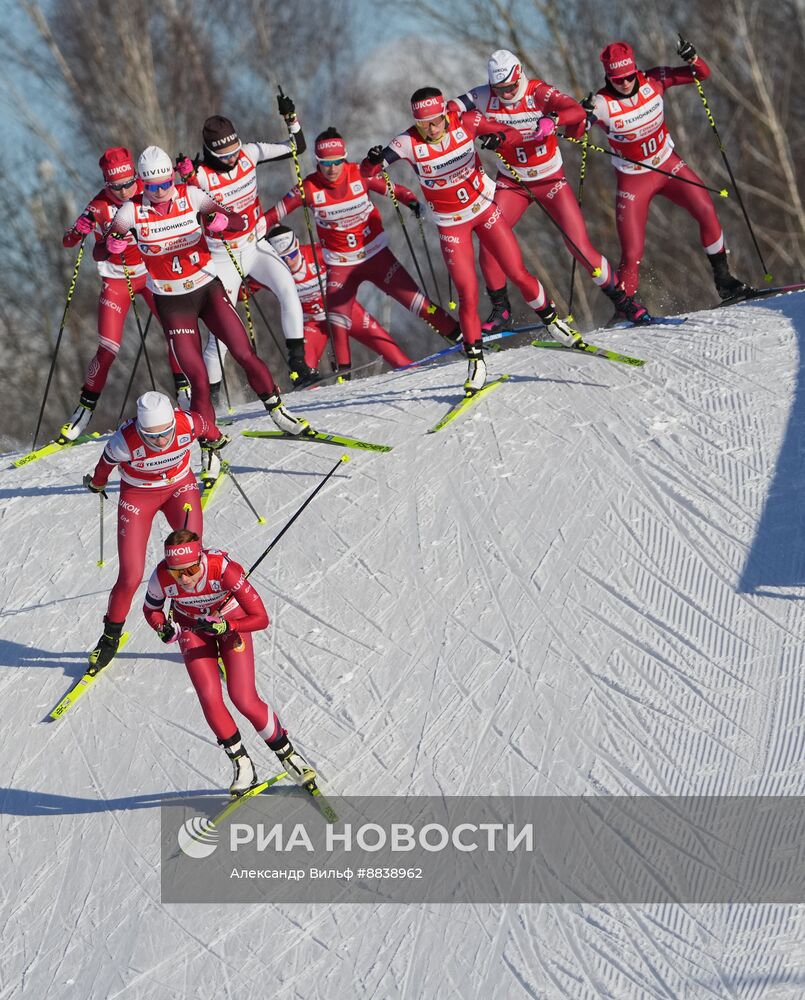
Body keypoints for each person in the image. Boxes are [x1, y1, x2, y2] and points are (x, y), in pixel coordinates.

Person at [362, 88, 585, 395]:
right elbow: (369, 172)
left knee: (517, 271)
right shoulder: (407, 142)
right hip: (452, 226)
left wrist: (500, 140)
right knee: (467, 294)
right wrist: (372, 161)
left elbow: (511, 133)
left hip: (485, 210)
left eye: (436, 120)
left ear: (444, 114)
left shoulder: (465, 121)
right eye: (424, 123)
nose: (432, 128)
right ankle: (476, 362)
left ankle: (553, 322)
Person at [105, 146, 311, 444]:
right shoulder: (130, 212)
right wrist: (111, 245)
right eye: (152, 187)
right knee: (198, 380)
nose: (160, 192)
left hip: (208, 290)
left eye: (165, 184)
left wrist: (222, 222)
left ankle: (279, 412)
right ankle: (210, 443)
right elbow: (103, 247)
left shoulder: (191, 195)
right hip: (172, 302)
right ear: (142, 184)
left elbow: (239, 221)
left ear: (172, 178)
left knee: (244, 353)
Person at [454, 50, 650, 330]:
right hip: (513, 184)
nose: (506, 93)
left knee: (578, 246)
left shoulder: (537, 92)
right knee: (489, 243)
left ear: (519, 74)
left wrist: (553, 120)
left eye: (510, 86)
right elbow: (450, 111)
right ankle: (501, 311)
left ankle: (624, 302)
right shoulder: (483, 96)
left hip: (550, 181)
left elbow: (577, 110)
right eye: (500, 89)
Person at [263, 127, 459, 371]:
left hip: (376, 256)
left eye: (337, 162)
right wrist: (251, 235)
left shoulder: (359, 174)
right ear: (317, 163)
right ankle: (345, 375)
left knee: (418, 302)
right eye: (325, 163)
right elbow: (273, 215)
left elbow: (397, 190)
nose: (332, 169)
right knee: (336, 319)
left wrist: (412, 203)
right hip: (340, 265)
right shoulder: (309, 188)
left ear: (344, 158)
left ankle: (461, 337)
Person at [142, 529, 316, 795]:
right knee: (210, 697)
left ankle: (289, 755)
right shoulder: (161, 576)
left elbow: (261, 618)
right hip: (190, 628)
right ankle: (242, 763)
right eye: (177, 573)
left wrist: (227, 625)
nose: (185, 579)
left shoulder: (223, 569)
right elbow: (151, 609)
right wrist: (162, 627)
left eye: (190, 571)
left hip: (230, 622)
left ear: (200, 559)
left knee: (242, 697)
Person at [585, 37, 750, 302]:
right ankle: (626, 308)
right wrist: (581, 116)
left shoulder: (653, 81)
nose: (625, 83)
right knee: (632, 252)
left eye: (629, 76)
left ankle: (725, 281)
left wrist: (692, 58)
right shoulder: (603, 103)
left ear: (635, 70)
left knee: (706, 209)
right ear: (607, 76)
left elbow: (701, 75)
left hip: (668, 164)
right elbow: (576, 126)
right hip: (633, 180)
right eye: (617, 79)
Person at [176, 95, 316, 395]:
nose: (232, 158)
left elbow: (297, 147)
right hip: (222, 257)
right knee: (222, 335)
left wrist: (292, 119)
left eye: (234, 150)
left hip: (254, 245)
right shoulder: (200, 176)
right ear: (210, 152)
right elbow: (176, 208)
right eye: (224, 155)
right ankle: (208, 398)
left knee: (288, 289)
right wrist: (184, 179)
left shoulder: (251, 153)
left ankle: (299, 367)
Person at [82, 391, 227, 671]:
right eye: (152, 436)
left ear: (173, 422)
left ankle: (206, 629)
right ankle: (109, 639)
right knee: (131, 575)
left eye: (166, 434)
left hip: (180, 489)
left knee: (191, 562)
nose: (161, 441)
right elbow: (103, 467)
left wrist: (217, 439)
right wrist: (98, 483)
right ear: (140, 428)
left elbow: (208, 428)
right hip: (138, 497)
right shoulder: (124, 441)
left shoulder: (188, 422)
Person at [60, 147, 189, 441]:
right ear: (107, 185)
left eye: (130, 183)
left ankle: (186, 393)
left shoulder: (149, 190)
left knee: (177, 331)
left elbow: (182, 200)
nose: (126, 191)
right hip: (117, 279)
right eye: (117, 187)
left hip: (154, 274)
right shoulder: (98, 206)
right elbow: (70, 242)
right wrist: (79, 230)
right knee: (108, 349)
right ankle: (82, 412)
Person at [266, 225, 412, 373]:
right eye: (283, 259)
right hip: (313, 323)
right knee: (303, 370)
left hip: (344, 312)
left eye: (291, 255)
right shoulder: (273, 272)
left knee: (391, 350)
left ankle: (414, 372)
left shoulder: (317, 253)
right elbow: (246, 288)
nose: (289, 262)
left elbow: (349, 260)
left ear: (297, 246)